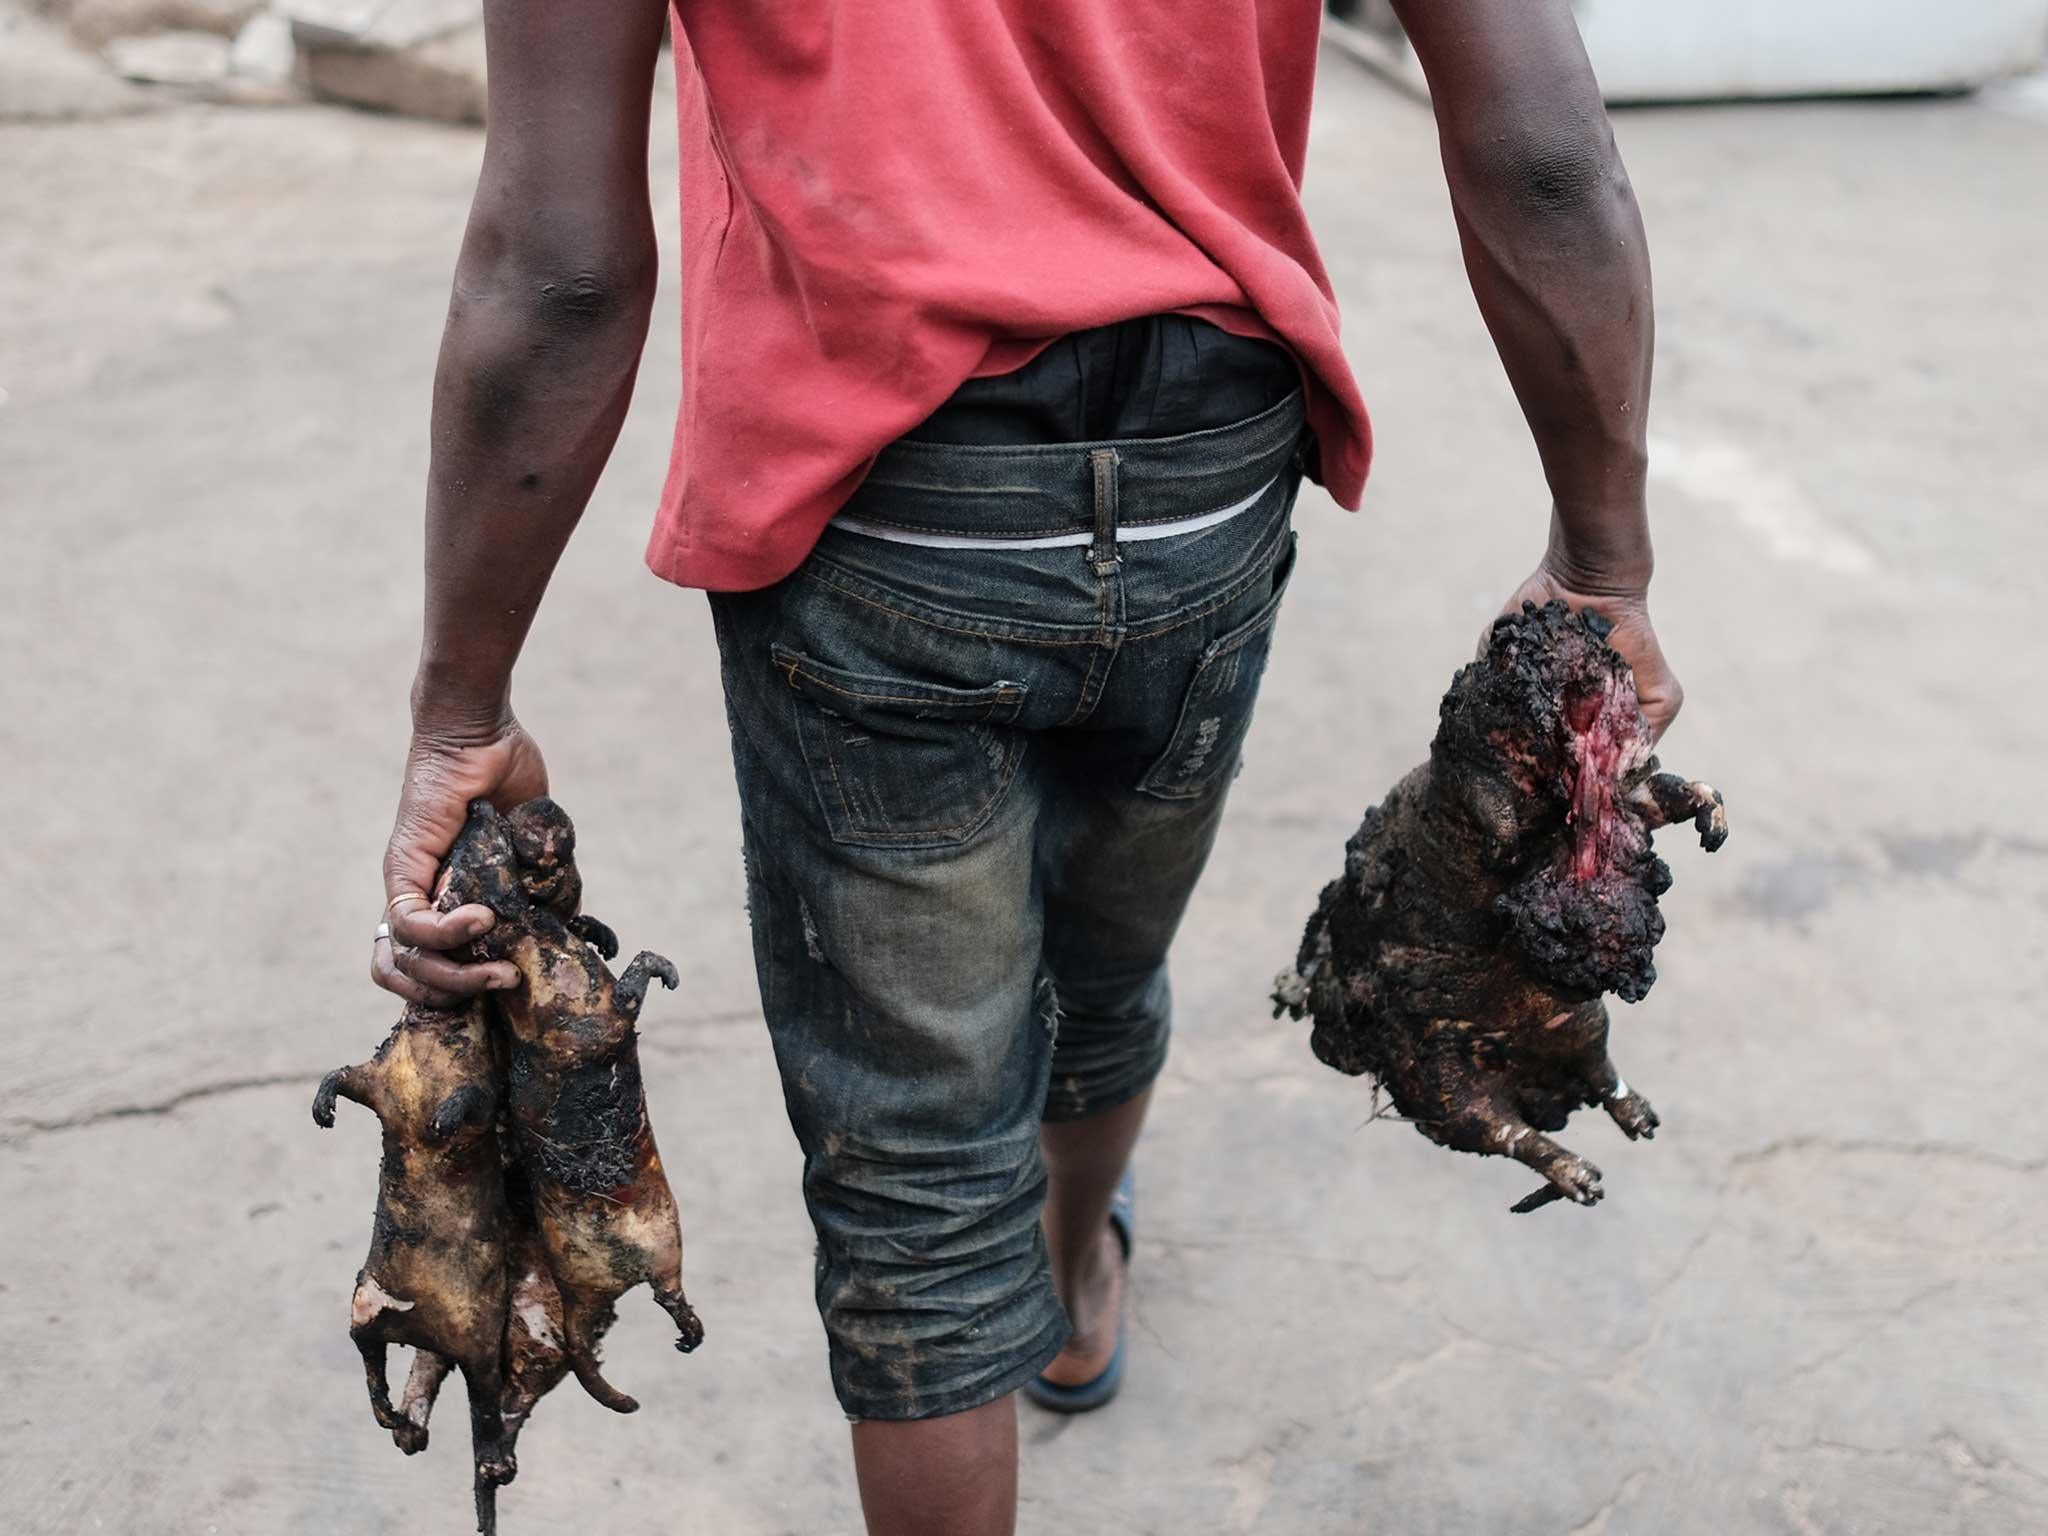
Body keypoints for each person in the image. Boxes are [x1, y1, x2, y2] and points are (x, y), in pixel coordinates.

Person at [366, 1, 1682, 1530]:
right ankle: (1068, 1286)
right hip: (1208, 484)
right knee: (1105, 960)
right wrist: (1607, 560)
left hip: (880, 509)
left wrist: (462, 706)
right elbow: (1543, 154)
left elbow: (562, 266)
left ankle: (1035, 1283)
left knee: (920, 1174)